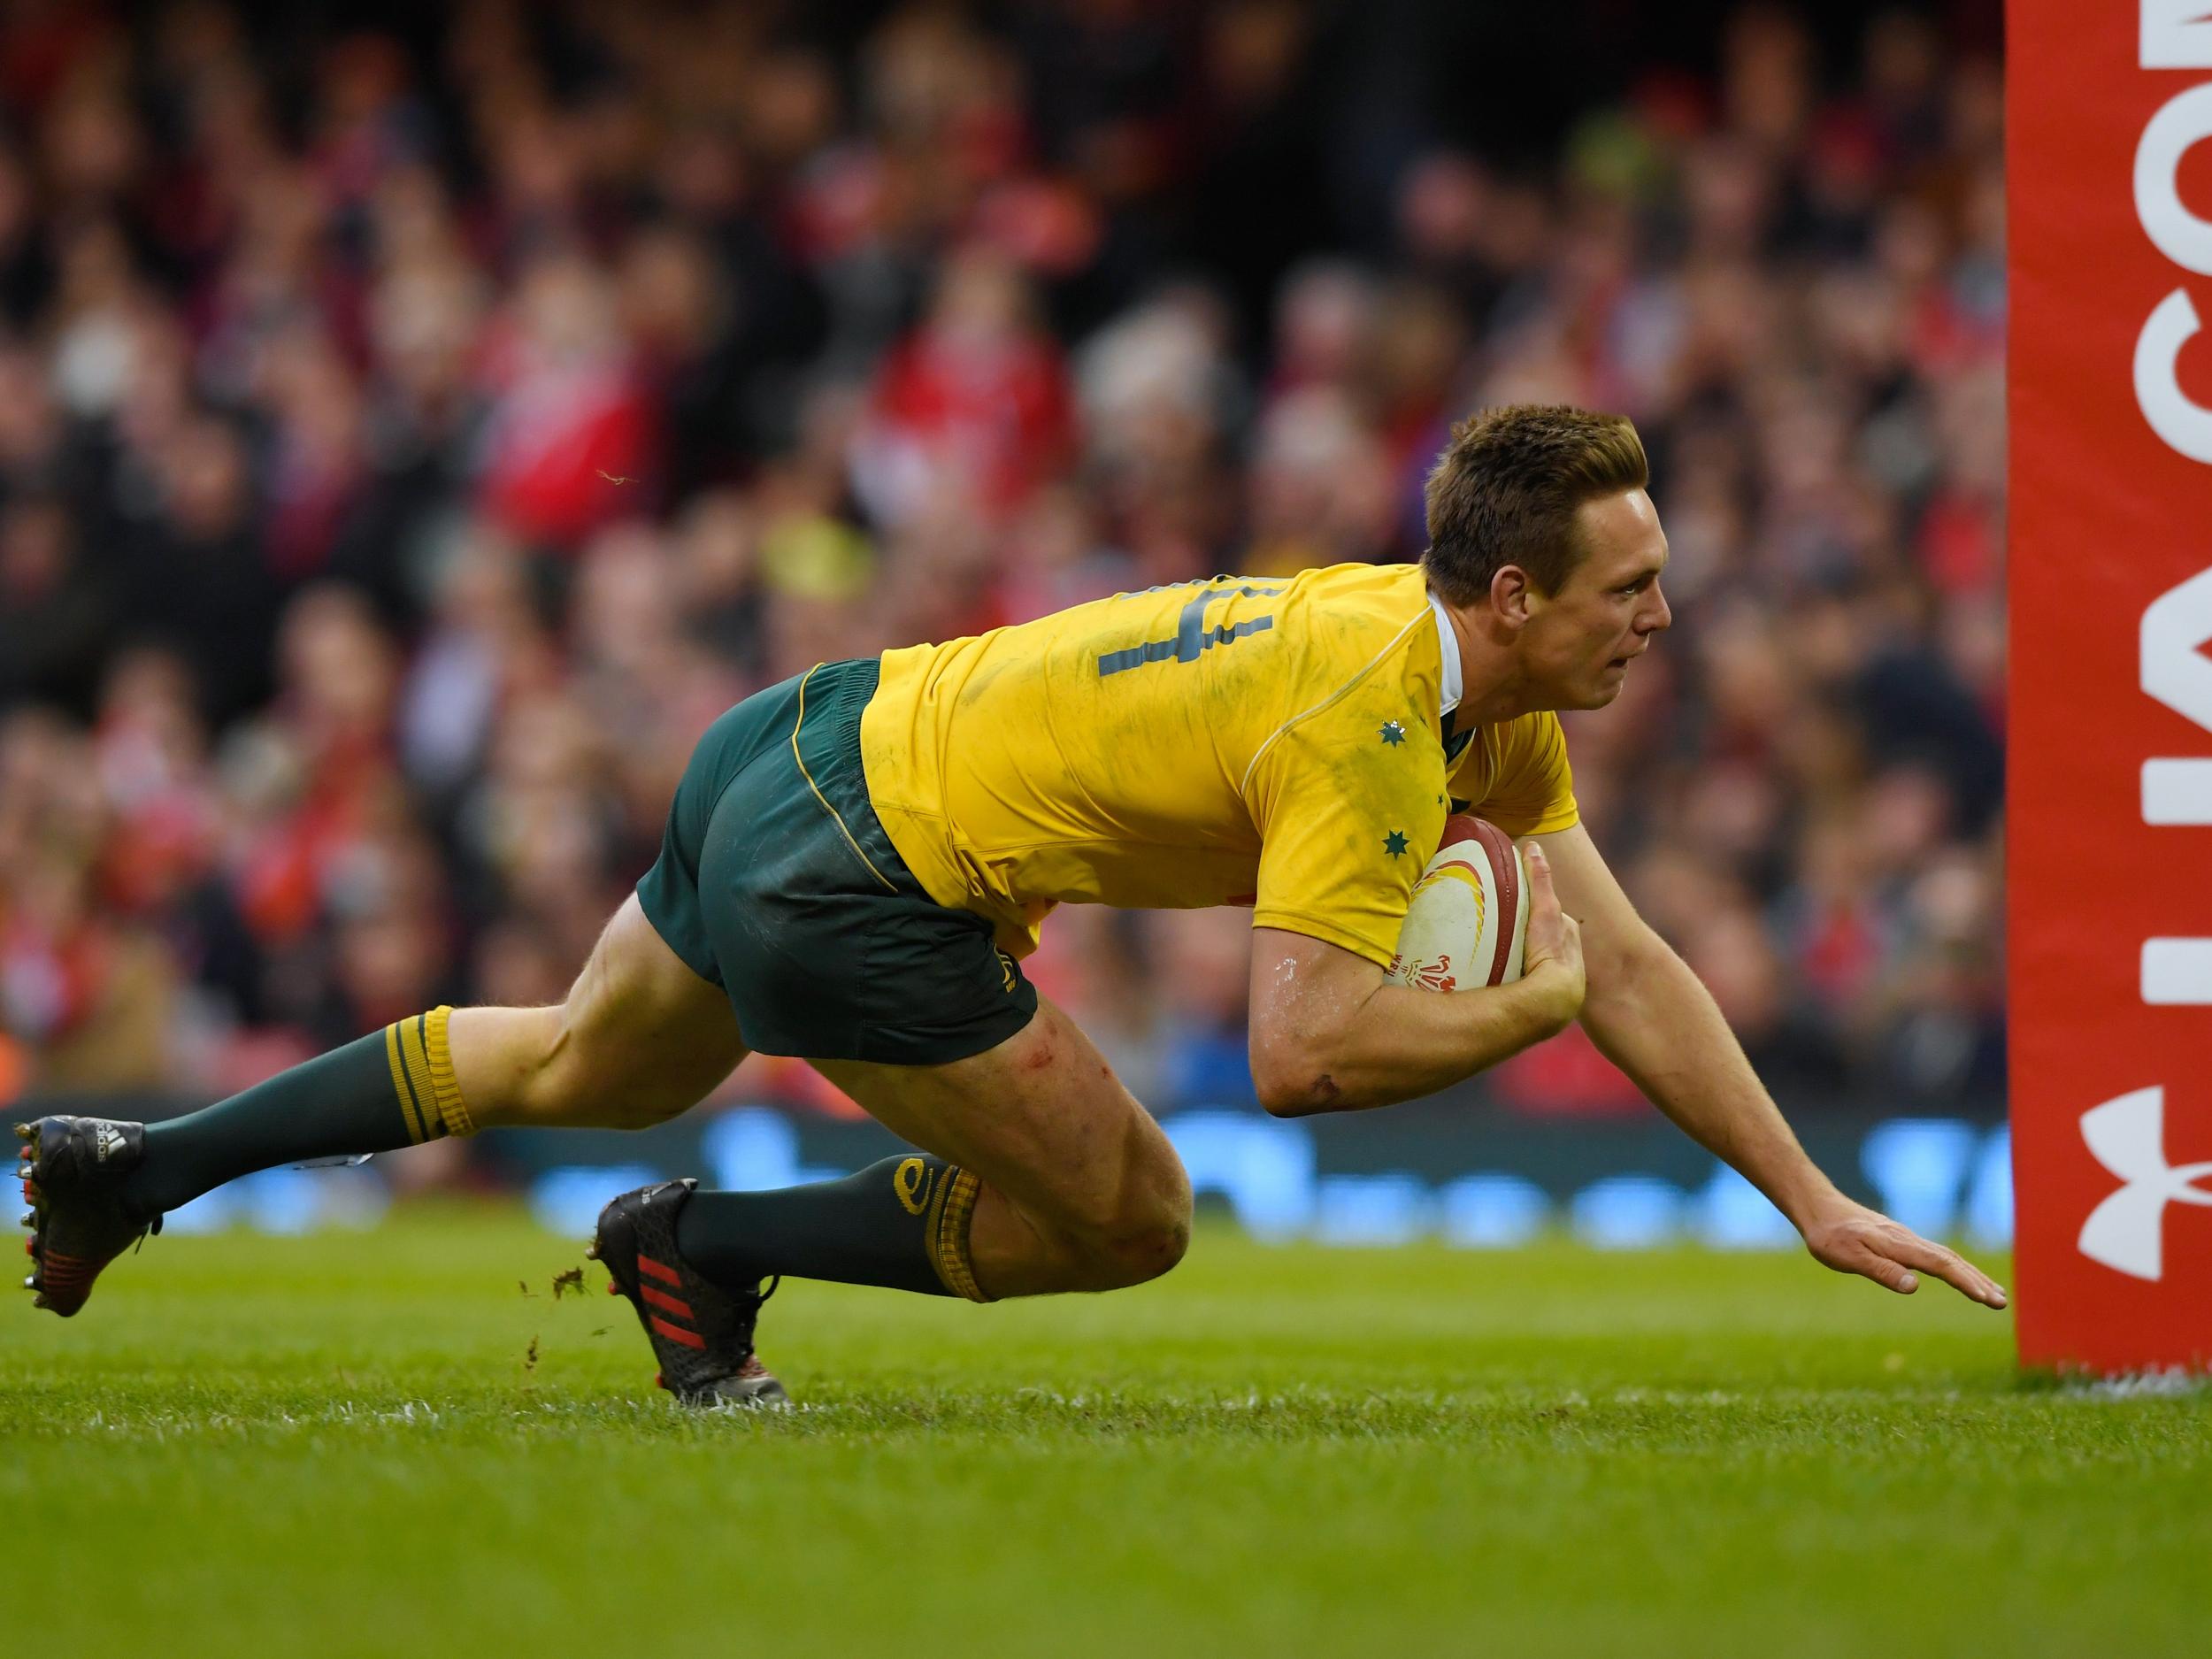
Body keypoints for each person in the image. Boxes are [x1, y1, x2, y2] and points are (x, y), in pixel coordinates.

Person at [17, 404, 2008, 1404]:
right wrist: (1520, 1003)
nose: (1660, 614)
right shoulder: (1370, 715)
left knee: (577, 1057)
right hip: (856, 872)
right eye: (1623, 587)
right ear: (1509, 597)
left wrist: (1805, 1197)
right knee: (1133, 1212)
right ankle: (696, 1250)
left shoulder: (1470, 693)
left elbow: (1637, 960)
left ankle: (140, 1164)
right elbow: (1301, 1058)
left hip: (789, 738)